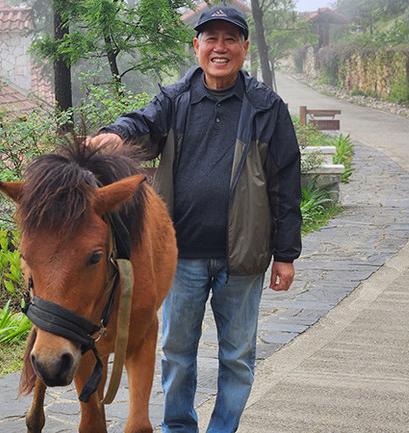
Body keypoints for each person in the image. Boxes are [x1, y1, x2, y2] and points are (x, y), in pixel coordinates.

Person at [88, 6, 302, 433]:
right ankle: (179, 428)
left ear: (243, 48)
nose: (219, 48)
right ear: (197, 47)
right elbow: (141, 123)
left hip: (241, 258)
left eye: (229, 39)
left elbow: (286, 182)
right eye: (211, 38)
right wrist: (116, 133)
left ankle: (222, 429)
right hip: (181, 255)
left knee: (237, 357)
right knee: (177, 352)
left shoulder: (267, 108)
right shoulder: (176, 99)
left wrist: (285, 253)